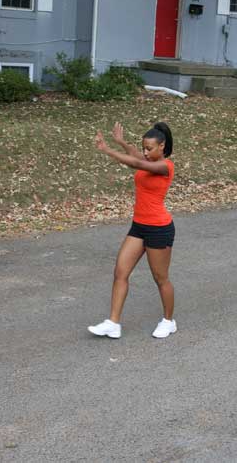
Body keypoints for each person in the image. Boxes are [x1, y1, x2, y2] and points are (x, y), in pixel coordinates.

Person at [88, 122, 177, 339]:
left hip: (159, 229)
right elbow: (137, 158)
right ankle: (113, 322)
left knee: (160, 277)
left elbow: (137, 161)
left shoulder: (166, 166)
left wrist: (108, 150)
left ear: (162, 146)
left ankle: (168, 321)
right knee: (120, 272)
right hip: (139, 226)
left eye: (149, 148)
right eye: (144, 148)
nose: (145, 152)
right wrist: (120, 142)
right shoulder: (147, 161)